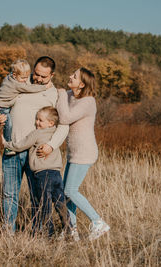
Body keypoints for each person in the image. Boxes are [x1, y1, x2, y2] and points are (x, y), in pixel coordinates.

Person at [0, 56, 69, 234]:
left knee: (38, 196)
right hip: (13, 149)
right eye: (36, 74)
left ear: (52, 75)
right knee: (9, 194)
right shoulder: (21, 84)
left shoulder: (56, 94)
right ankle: (8, 233)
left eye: (43, 77)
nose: (38, 79)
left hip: (37, 154)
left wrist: (51, 145)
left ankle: (39, 232)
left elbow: (64, 125)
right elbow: (4, 103)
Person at [56, 67, 110, 241]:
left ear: (82, 83)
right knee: (66, 193)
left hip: (85, 152)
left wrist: (62, 95)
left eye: (74, 76)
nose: (70, 76)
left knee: (70, 190)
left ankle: (98, 222)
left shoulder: (88, 102)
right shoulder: (71, 96)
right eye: (71, 73)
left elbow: (65, 117)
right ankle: (72, 231)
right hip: (74, 152)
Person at [3, 106, 70, 237]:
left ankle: (48, 234)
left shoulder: (37, 133)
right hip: (56, 174)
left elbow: (22, 145)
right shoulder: (55, 134)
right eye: (36, 119)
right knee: (60, 203)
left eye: (40, 120)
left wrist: (7, 144)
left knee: (44, 205)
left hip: (42, 174)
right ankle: (69, 229)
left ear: (50, 123)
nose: (36, 122)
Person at [0, 59, 50, 156]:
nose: (25, 80)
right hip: (2, 106)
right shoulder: (16, 84)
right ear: (14, 75)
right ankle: (8, 147)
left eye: (27, 77)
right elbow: (29, 88)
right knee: (8, 125)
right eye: (23, 78)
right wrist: (44, 87)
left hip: (1, 104)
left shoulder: (10, 77)